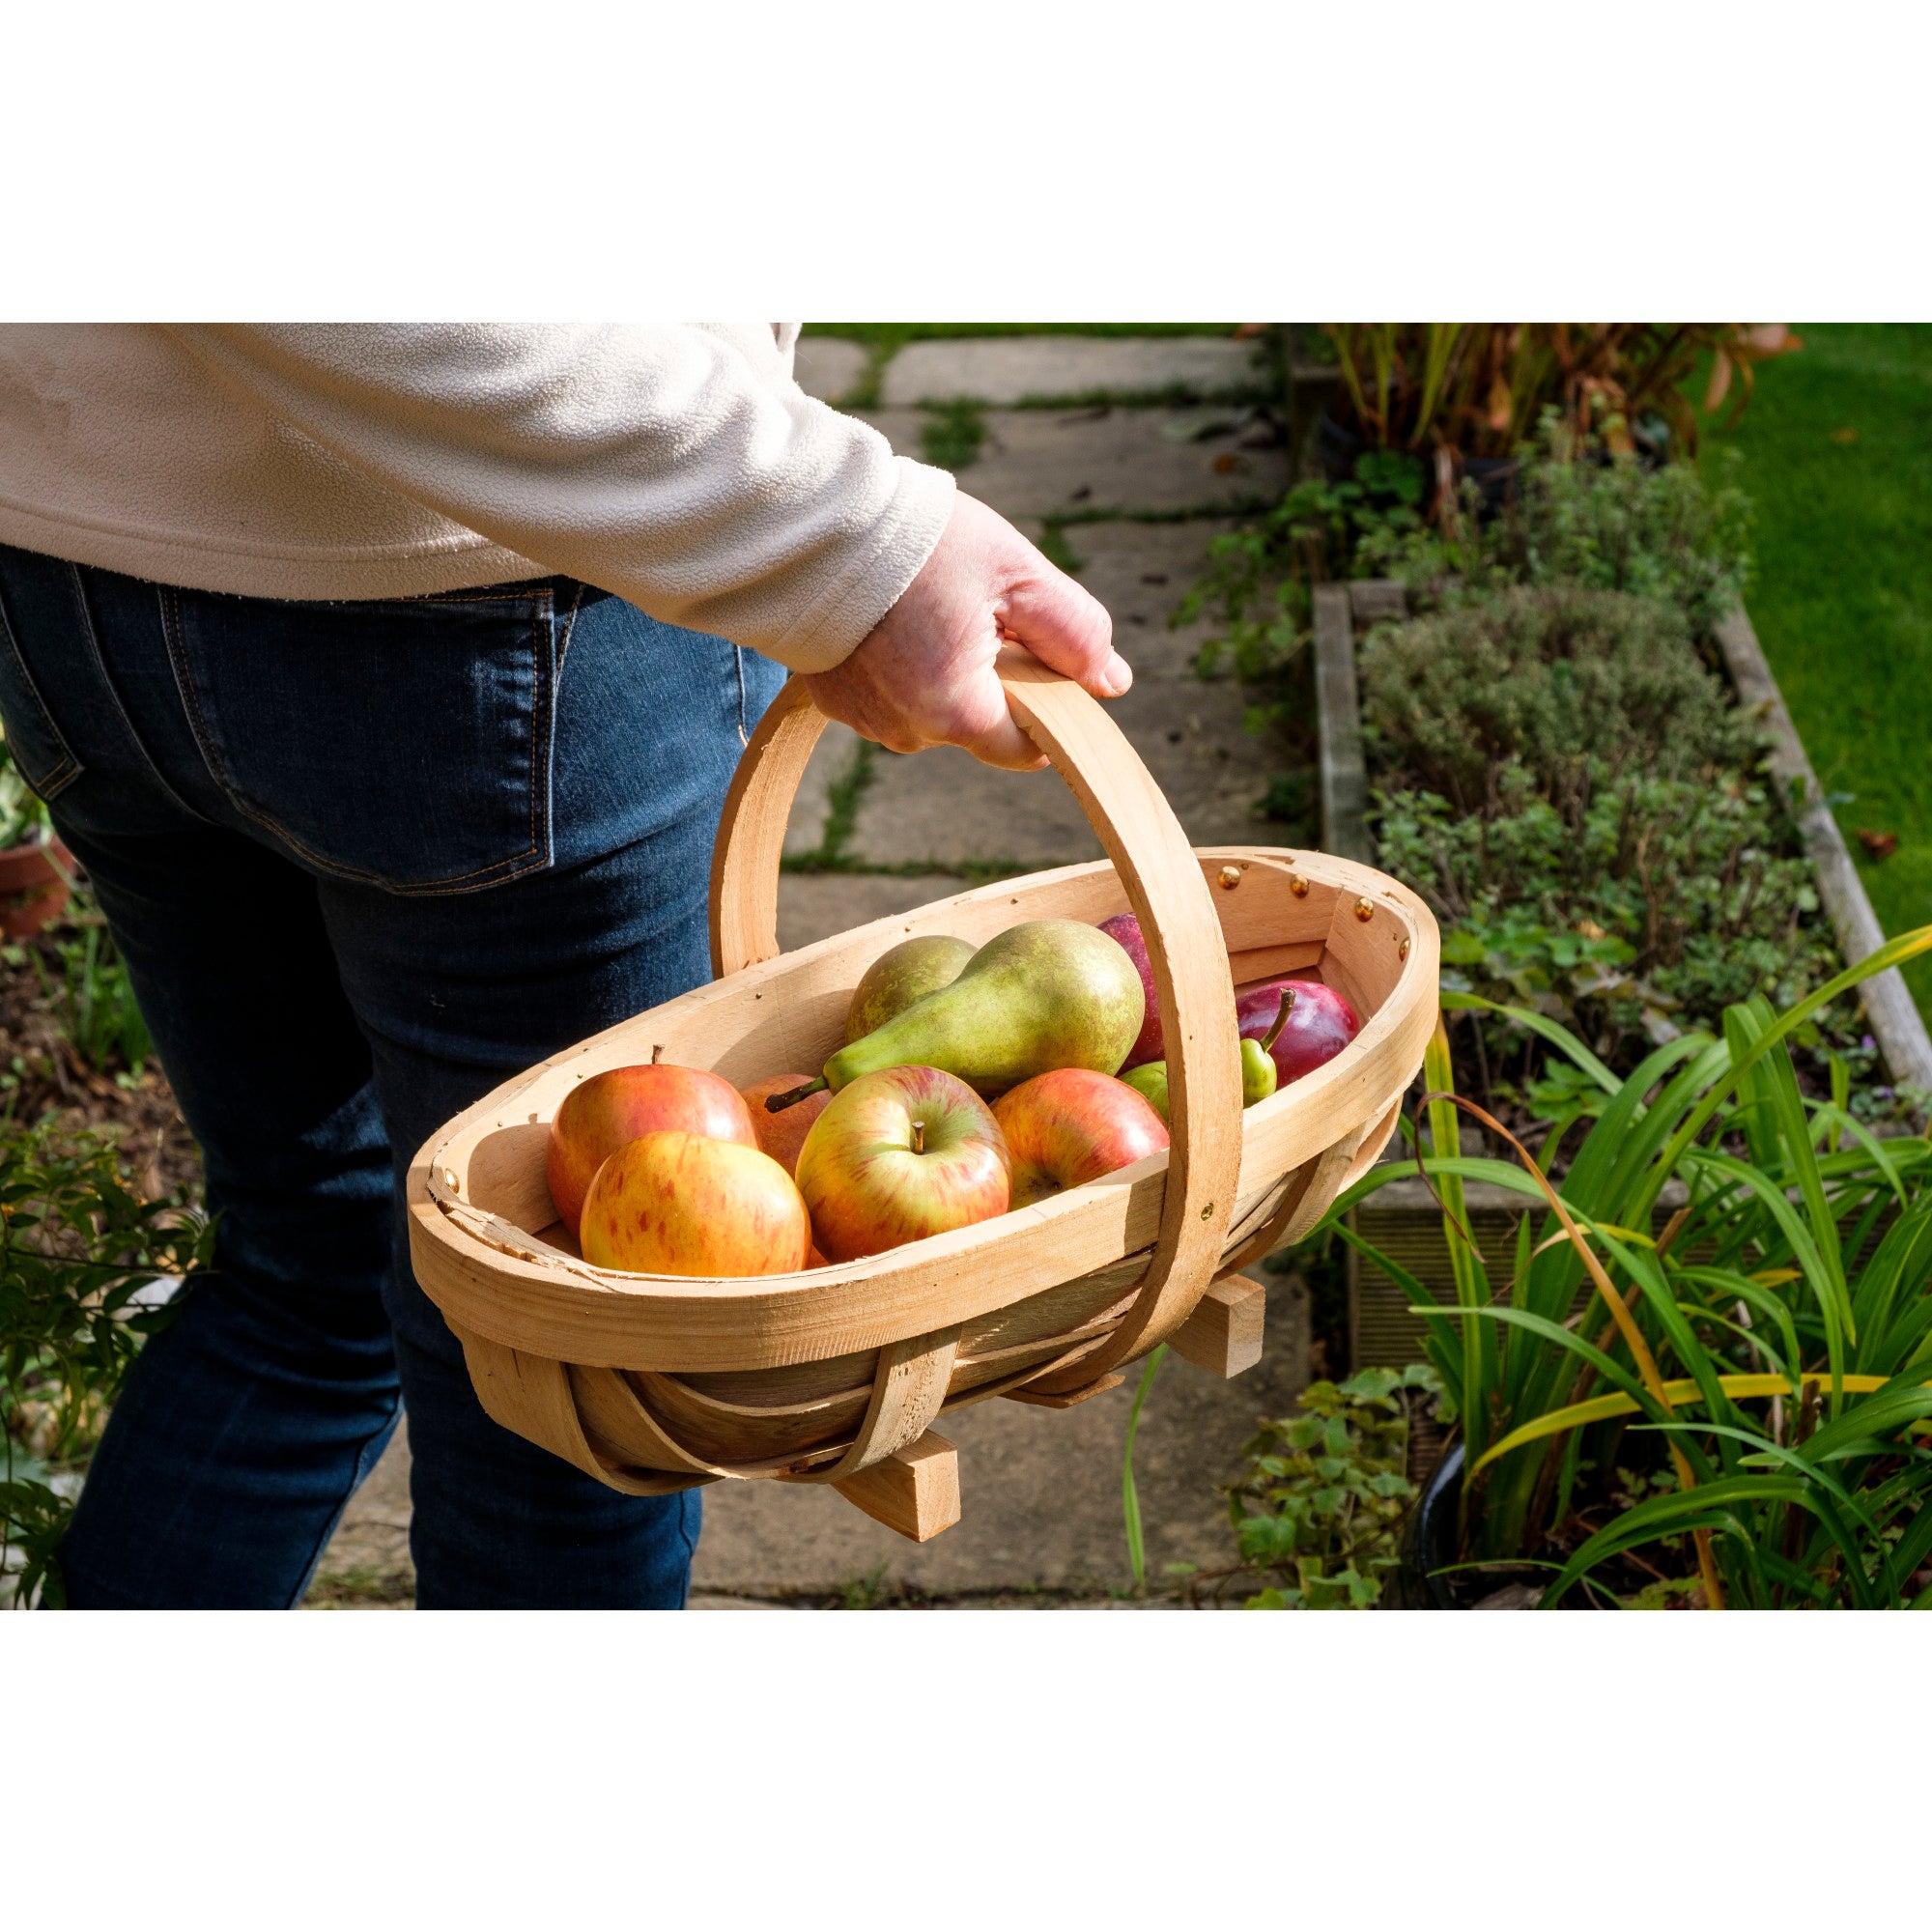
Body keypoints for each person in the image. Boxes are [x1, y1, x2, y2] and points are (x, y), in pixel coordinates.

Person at [0, 325, 1127, 1608]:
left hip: (72, 578)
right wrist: (842, 535)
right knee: (563, 1367)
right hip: (477, 595)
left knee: (299, 1271)